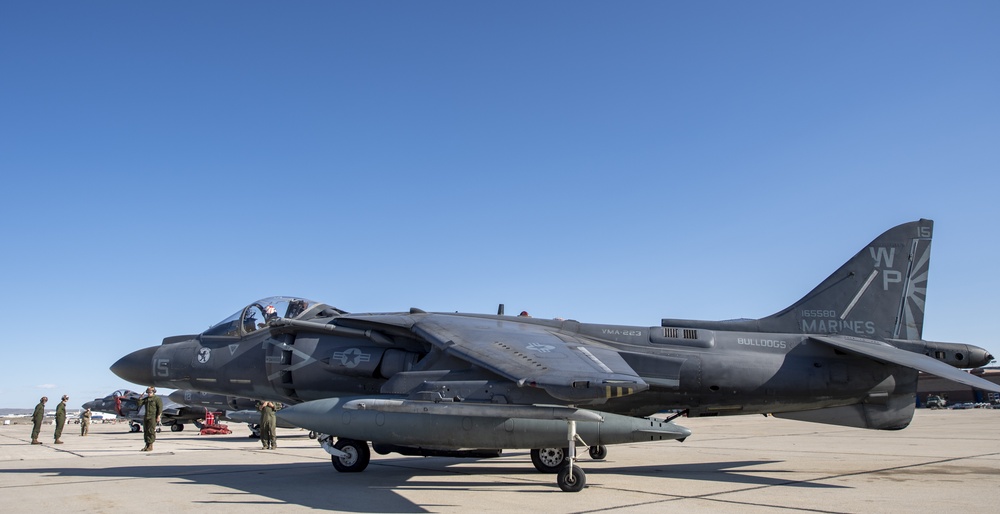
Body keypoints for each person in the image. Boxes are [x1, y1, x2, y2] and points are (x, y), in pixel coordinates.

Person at [136, 386, 163, 451]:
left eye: (150, 392)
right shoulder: (146, 399)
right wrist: (140, 398)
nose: (149, 393)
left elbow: (160, 408)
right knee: (146, 431)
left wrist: (158, 416)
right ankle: (146, 445)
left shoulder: (157, 399)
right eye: (148, 392)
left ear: (153, 392)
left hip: (153, 417)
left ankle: (150, 446)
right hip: (146, 416)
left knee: (151, 431)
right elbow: (139, 404)